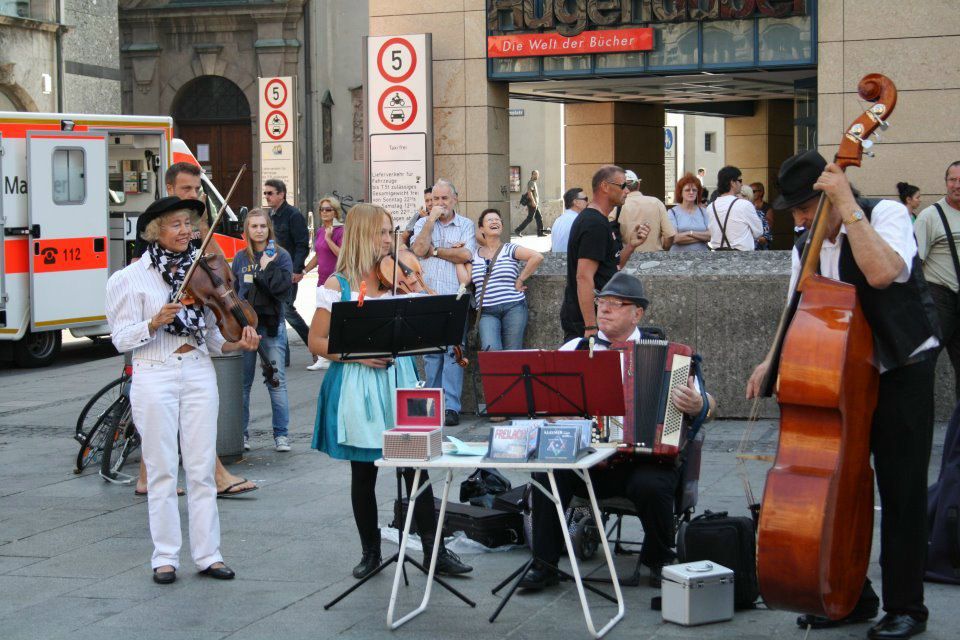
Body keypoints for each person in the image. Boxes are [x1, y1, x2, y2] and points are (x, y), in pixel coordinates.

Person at [746, 150, 941, 640]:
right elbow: (796, 307)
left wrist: (848, 207)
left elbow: (883, 273)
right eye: (794, 211)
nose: (801, 219)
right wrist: (772, 360)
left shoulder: (885, 214)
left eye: (806, 207)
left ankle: (907, 607)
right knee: (843, 483)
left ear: (831, 193)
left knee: (901, 489)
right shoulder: (805, 243)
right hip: (844, 374)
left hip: (901, 365)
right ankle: (851, 594)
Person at [520, 271, 714, 591]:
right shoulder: (577, 348)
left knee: (652, 485)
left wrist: (698, 403)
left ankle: (658, 559)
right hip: (590, 459)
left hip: (642, 461)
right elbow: (547, 402)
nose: (604, 309)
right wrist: (559, 418)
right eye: (601, 302)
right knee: (548, 475)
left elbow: (709, 402)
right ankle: (545, 564)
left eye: (615, 303)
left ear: (637, 313)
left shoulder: (669, 356)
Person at [309, 203, 472, 579]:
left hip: (399, 378)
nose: (389, 239)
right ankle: (370, 553)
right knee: (363, 472)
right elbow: (317, 341)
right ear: (363, 235)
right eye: (382, 232)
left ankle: (436, 551)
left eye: (389, 232)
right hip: (357, 381)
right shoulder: (340, 285)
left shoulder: (397, 276)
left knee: (417, 464)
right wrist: (357, 355)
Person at [105, 196, 261, 584]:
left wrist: (235, 344)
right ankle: (165, 557)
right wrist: (154, 323)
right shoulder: (128, 279)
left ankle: (209, 555)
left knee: (201, 466)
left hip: (197, 371)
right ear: (154, 231)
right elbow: (120, 339)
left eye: (189, 224)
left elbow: (211, 337)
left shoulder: (202, 272)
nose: (186, 232)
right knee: (160, 470)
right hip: (153, 372)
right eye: (176, 225)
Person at [131, 163, 258, 497]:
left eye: (197, 190)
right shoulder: (156, 226)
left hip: (191, 341)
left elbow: (214, 268)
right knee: (173, 420)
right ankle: (212, 475)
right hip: (159, 339)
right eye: (187, 190)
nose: (193, 195)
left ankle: (150, 477)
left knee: (178, 419)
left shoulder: (193, 223)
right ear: (170, 188)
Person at [411, 179, 476, 426]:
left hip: (455, 297)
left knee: (453, 354)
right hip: (427, 299)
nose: (440, 204)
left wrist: (436, 251)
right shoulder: (422, 224)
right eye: (435, 199)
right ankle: (431, 405)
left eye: (444, 199)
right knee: (431, 355)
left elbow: (466, 254)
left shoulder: (466, 225)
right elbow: (418, 249)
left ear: (454, 199)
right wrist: (429, 221)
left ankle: (451, 407)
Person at [231, 208, 293, 452]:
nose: (258, 230)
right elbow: (235, 292)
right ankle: (242, 434)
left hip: (271, 324)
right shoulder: (240, 257)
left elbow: (282, 289)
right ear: (247, 230)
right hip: (245, 326)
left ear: (269, 229)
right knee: (243, 384)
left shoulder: (281, 255)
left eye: (262, 226)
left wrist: (267, 266)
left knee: (276, 382)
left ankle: (282, 435)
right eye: (254, 226)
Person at [560, 165, 627, 342]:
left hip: (601, 318)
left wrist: (633, 245)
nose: (626, 190)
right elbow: (583, 276)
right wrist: (590, 326)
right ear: (605, 186)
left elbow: (613, 266)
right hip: (588, 322)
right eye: (623, 185)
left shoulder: (599, 220)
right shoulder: (593, 223)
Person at [914, 162, 960, 401]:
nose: (957, 185)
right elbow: (915, 265)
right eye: (952, 180)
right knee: (924, 363)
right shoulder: (930, 216)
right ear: (946, 182)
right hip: (939, 298)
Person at [467, 209, 543, 351]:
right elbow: (465, 278)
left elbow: (537, 257)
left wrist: (520, 279)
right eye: (490, 220)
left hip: (513, 307)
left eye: (497, 220)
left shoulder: (509, 249)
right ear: (481, 228)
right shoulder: (474, 255)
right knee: (491, 350)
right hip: (486, 311)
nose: (495, 221)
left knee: (512, 352)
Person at [263, 179, 310, 367]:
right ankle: (284, 358)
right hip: (273, 271)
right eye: (265, 193)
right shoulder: (270, 216)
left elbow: (302, 245)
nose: (267, 196)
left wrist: (297, 270)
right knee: (280, 312)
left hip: (289, 271)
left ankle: (314, 345)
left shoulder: (293, 215)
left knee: (287, 311)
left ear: (281, 194)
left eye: (270, 193)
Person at [303, 195, 345, 371]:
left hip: (336, 281)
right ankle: (322, 357)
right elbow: (319, 256)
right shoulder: (321, 230)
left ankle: (330, 355)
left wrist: (329, 239)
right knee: (322, 317)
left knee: (335, 319)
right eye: (322, 209)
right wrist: (304, 271)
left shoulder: (341, 231)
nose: (325, 212)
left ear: (336, 211)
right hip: (322, 280)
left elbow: (342, 255)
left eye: (328, 209)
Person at [616, 169, 675, 267]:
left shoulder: (618, 206)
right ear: (638, 184)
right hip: (655, 260)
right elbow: (669, 235)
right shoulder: (656, 203)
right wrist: (664, 249)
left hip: (627, 260)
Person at [706, 166, 763, 251]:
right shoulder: (745, 205)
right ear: (732, 182)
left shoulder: (710, 207)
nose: (741, 184)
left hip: (718, 257)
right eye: (740, 181)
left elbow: (711, 232)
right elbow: (758, 232)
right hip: (742, 257)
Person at [668, 173, 711, 253]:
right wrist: (701, 236)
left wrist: (689, 233)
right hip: (679, 259)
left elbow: (709, 236)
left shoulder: (703, 212)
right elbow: (675, 238)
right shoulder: (672, 213)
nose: (691, 192)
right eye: (687, 190)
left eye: (694, 190)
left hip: (702, 258)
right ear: (681, 192)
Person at [552, 187, 588, 253]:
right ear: (576, 202)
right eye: (585, 199)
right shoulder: (579, 220)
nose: (587, 202)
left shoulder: (558, 220)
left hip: (558, 261)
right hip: (570, 261)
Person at [515, 169, 547, 237]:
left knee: (539, 218)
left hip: (535, 203)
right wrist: (533, 202)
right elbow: (529, 193)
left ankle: (540, 233)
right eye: (535, 174)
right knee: (530, 218)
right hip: (532, 204)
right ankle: (518, 230)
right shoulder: (531, 182)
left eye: (537, 174)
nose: (536, 175)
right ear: (532, 175)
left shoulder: (533, 182)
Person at [740, 184, 772, 250]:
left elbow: (766, 236)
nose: (739, 198)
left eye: (753, 191)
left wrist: (751, 237)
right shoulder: (733, 214)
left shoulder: (760, 214)